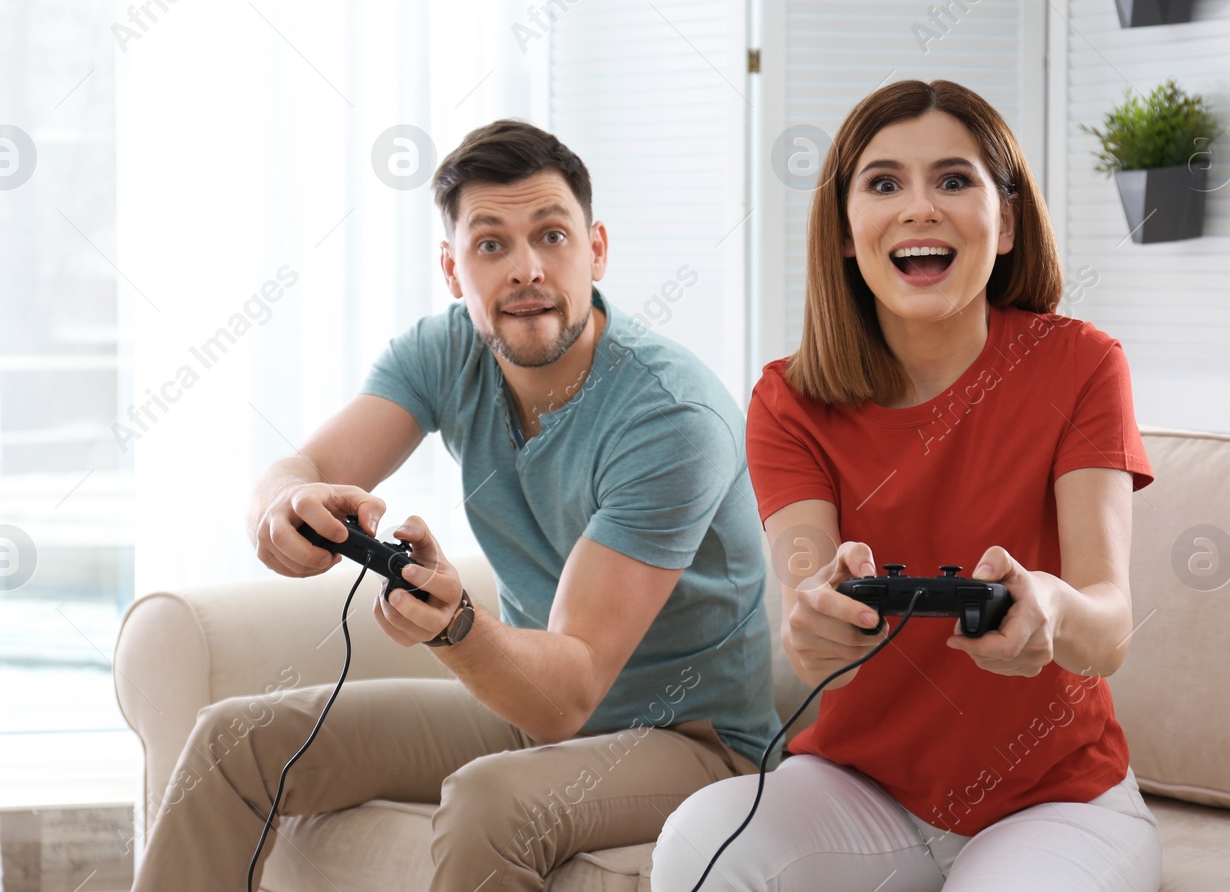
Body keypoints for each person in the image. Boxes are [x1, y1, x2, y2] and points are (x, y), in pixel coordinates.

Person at [130, 119, 780, 892]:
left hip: (697, 739)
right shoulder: (447, 351)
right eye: (491, 244)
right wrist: (281, 506)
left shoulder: (669, 417)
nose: (527, 269)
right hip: (525, 698)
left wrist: (458, 627)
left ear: (596, 247)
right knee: (235, 741)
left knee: (488, 800)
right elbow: (301, 467)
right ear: (451, 267)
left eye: (552, 235)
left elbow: (569, 691)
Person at [650, 80, 1163, 892]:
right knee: (699, 841)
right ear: (848, 234)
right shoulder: (790, 400)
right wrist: (819, 625)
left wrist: (1051, 610)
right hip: (862, 789)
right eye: (883, 183)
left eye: (954, 179)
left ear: (1008, 222)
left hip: (1056, 801)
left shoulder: (1081, 364)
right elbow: (811, 620)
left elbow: (1110, 628)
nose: (919, 207)